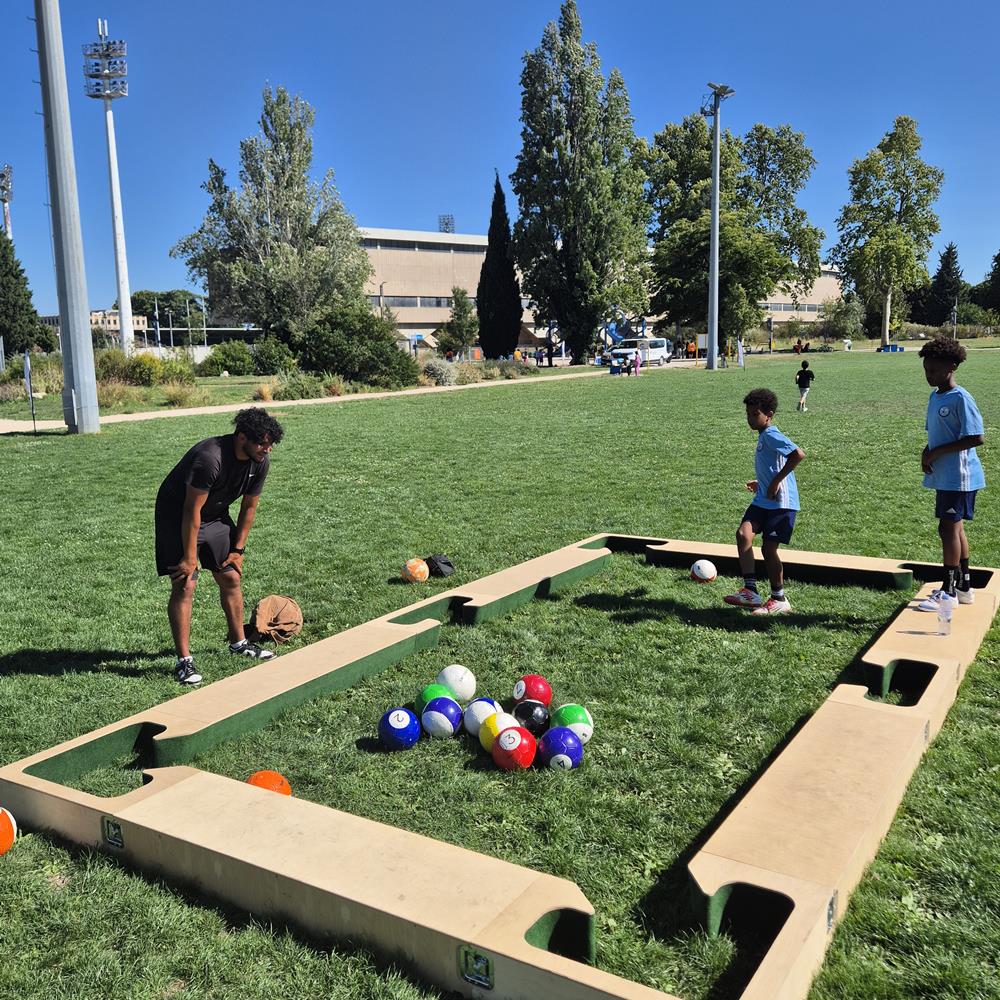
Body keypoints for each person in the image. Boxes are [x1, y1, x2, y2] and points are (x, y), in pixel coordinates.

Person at [155, 407, 285, 685]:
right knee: (185, 583)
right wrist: (190, 558)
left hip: (213, 515)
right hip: (177, 515)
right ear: (241, 437)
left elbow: (249, 507)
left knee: (230, 575)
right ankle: (184, 662)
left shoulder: (259, 461)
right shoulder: (210, 457)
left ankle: (239, 643)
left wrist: (238, 549)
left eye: (270, 443)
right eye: (262, 442)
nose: (267, 449)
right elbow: (191, 511)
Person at [914, 337, 986, 614]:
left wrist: (937, 452)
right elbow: (935, 434)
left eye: (933, 369)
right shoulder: (936, 396)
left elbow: (976, 437)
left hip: (960, 476)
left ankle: (948, 591)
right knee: (954, 529)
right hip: (945, 476)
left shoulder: (961, 398)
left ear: (952, 367)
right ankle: (964, 587)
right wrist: (927, 453)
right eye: (926, 369)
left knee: (947, 529)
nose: (928, 374)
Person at [724, 389, 805, 615]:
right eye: (748, 414)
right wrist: (763, 482)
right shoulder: (764, 435)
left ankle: (779, 598)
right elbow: (775, 464)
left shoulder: (771, 434)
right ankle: (750, 591)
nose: (749, 419)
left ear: (768, 415)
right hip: (764, 498)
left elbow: (798, 454)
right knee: (743, 534)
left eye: (754, 414)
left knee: (769, 550)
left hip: (781, 503)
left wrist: (775, 482)